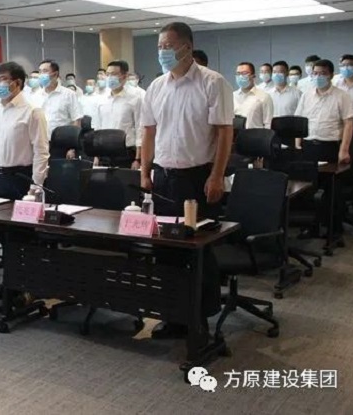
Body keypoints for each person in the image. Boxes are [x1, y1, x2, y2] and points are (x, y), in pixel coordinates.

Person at [141, 21, 233, 339]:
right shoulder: (156, 87)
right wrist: (144, 171)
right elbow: (148, 132)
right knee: (167, 250)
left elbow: (224, 132)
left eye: (167, 46)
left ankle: (201, 322)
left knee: (197, 250)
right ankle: (174, 316)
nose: (162, 52)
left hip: (198, 178)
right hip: (164, 179)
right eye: (159, 47)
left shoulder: (212, 82)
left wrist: (217, 176)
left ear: (187, 47)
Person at [295, 58, 353, 239]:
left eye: (322, 73)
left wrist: (344, 149)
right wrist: (297, 143)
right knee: (308, 189)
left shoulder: (342, 96)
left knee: (332, 191)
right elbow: (300, 120)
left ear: (330, 75)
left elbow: (348, 123)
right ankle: (311, 227)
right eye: (315, 73)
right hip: (308, 146)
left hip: (330, 147)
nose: (318, 77)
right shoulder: (306, 95)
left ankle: (333, 229)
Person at [0, 62, 49, 200]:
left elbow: (41, 151)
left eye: (3, 79)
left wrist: (36, 185)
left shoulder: (32, 111)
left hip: (20, 178)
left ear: (17, 82)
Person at [94, 61, 142, 168]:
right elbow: (98, 128)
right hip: (104, 152)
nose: (110, 77)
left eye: (114, 74)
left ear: (125, 76)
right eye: (108, 74)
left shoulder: (135, 98)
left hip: (126, 152)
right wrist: (96, 155)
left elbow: (140, 129)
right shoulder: (101, 99)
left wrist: (138, 159)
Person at [38, 60, 82, 148]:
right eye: (40, 71)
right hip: (40, 143)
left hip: (62, 143)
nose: (41, 75)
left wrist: (72, 147)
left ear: (55, 74)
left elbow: (76, 120)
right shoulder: (36, 95)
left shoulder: (68, 94)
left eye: (45, 71)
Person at [233, 62, 274, 128]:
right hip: (235, 133)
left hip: (255, 133)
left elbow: (268, 124)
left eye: (244, 73)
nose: (240, 76)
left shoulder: (264, 97)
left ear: (253, 76)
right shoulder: (232, 96)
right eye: (238, 74)